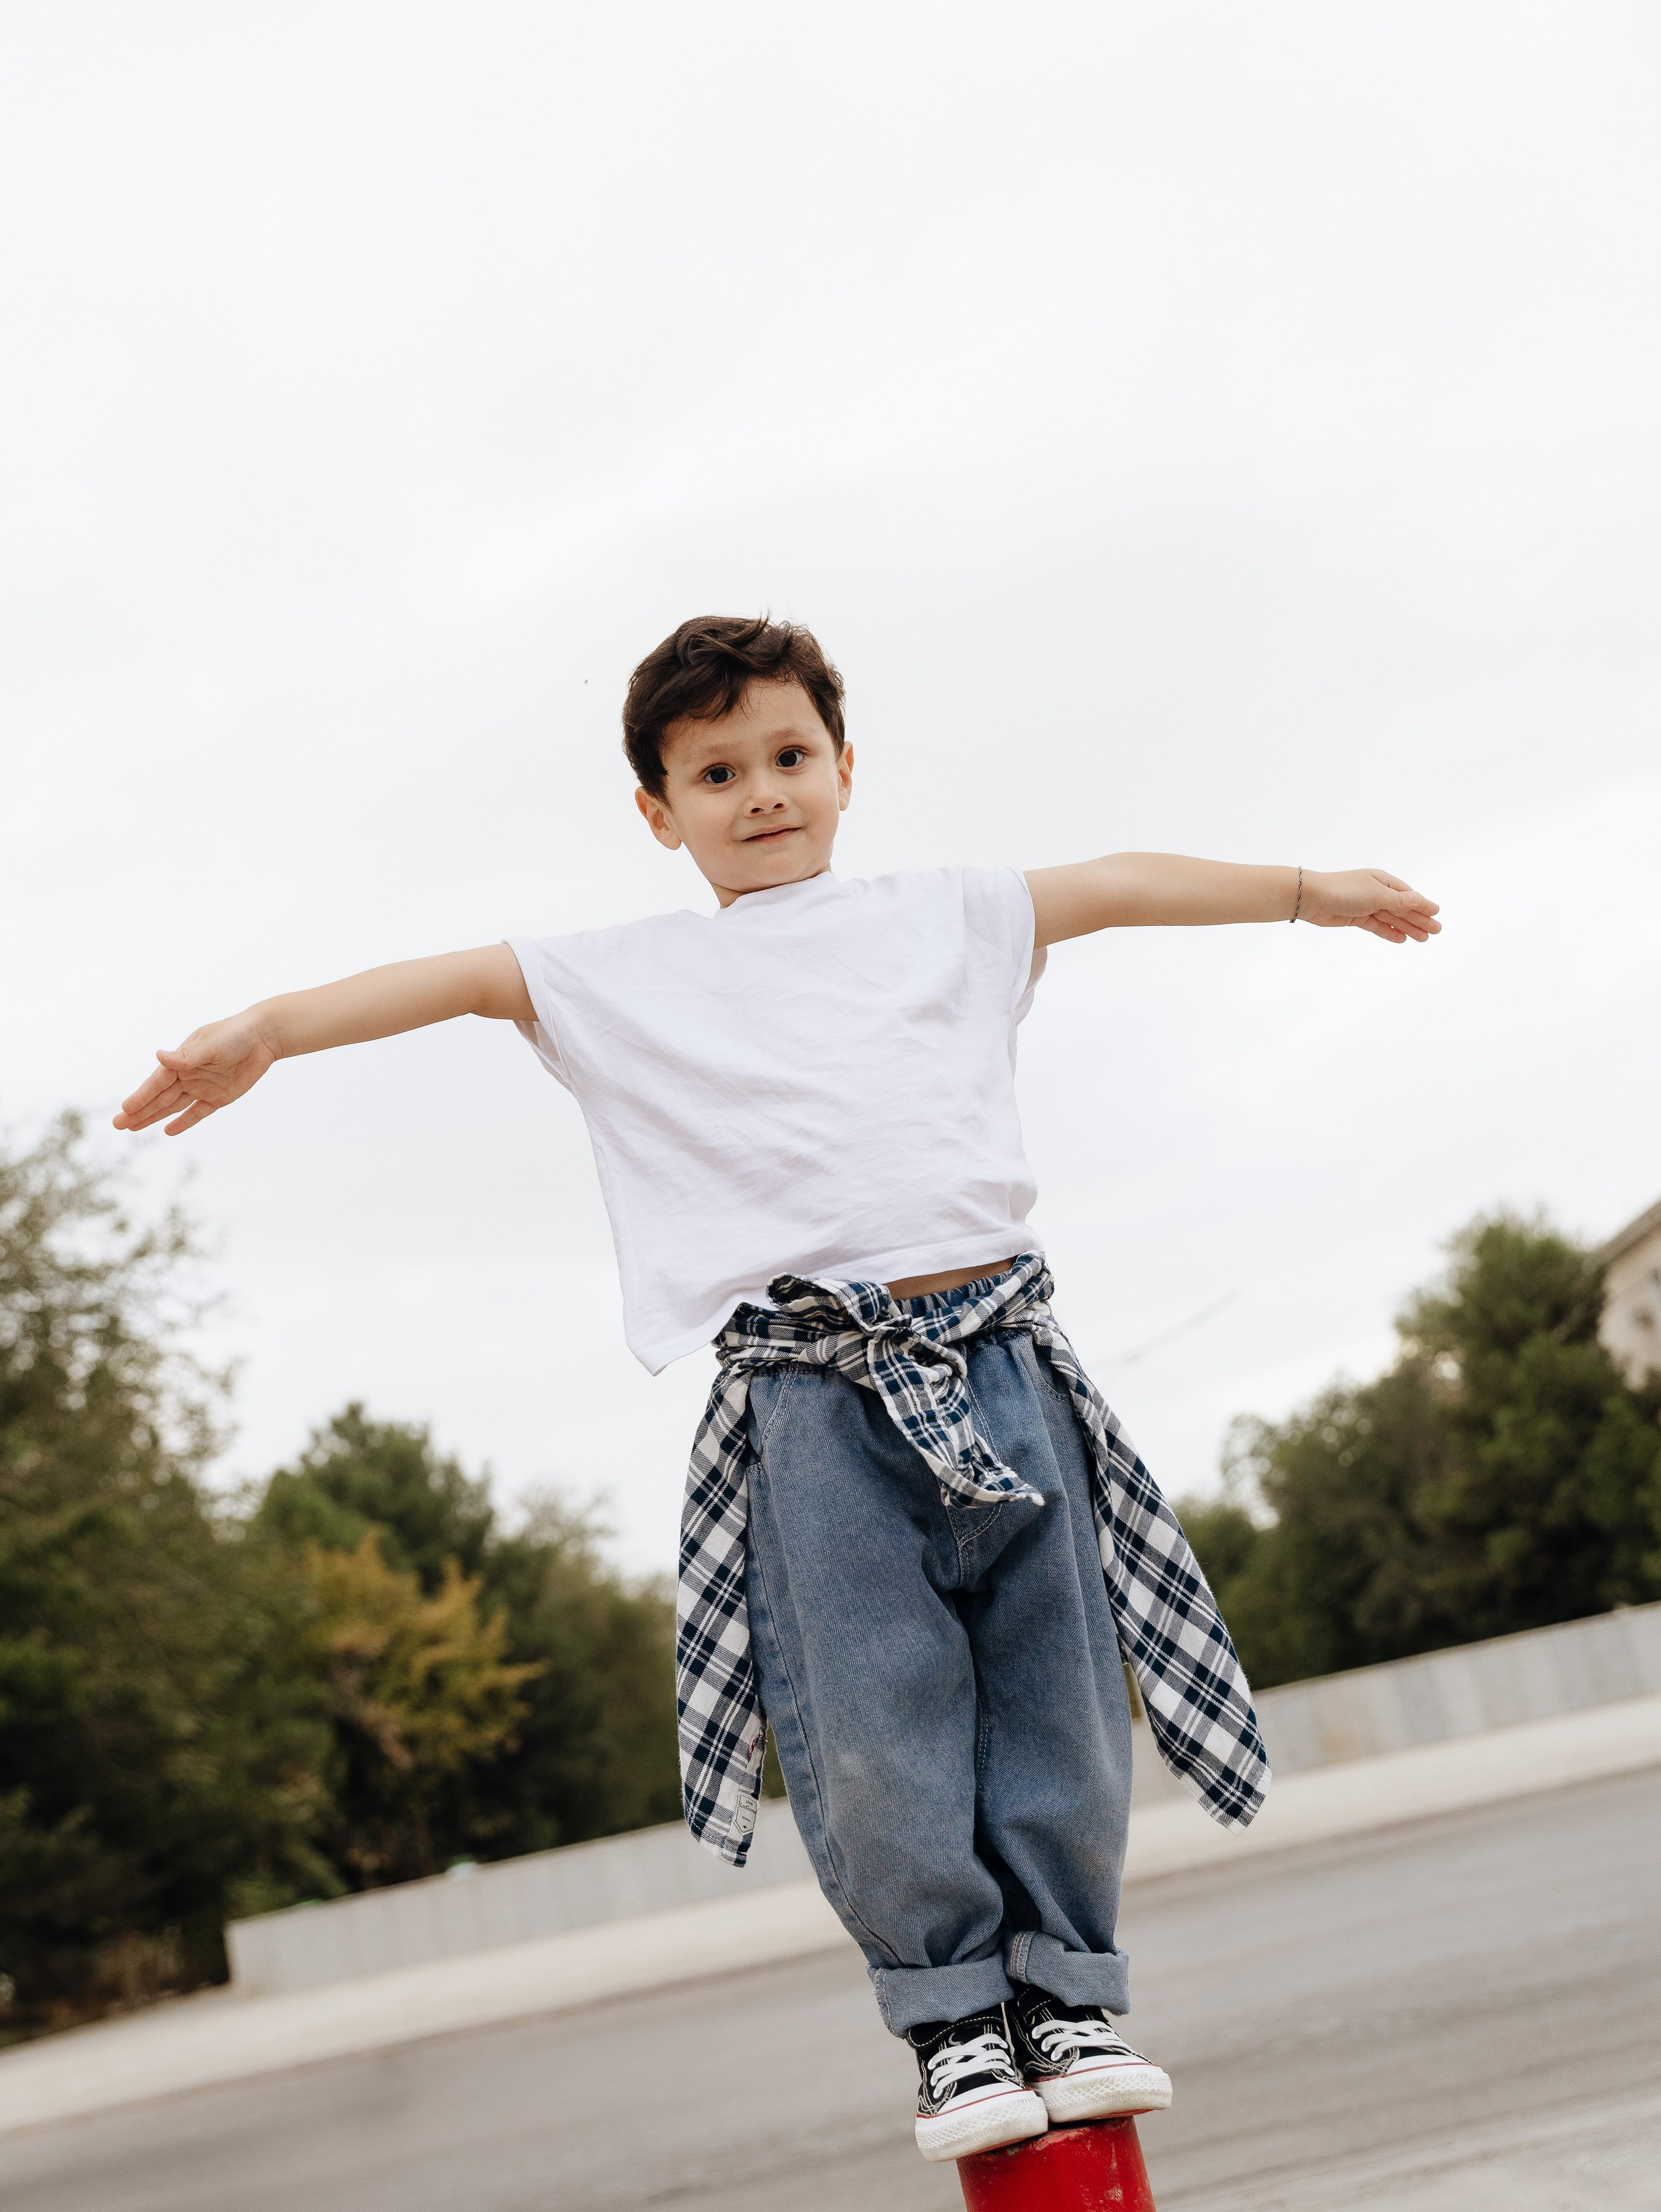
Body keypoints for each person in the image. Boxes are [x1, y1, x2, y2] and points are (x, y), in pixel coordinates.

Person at [115, 615, 1441, 2163]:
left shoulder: (948, 913)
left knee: (1058, 1693)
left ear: (843, 767)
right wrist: (264, 1028)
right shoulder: (625, 976)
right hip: (810, 1400)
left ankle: (1064, 1993)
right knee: (873, 1715)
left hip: (1001, 1356)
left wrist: (1307, 894)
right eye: (717, 771)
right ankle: (953, 2017)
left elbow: (1123, 879)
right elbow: (454, 980)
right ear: (658, 809)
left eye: (789, 757)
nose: (762, 793)